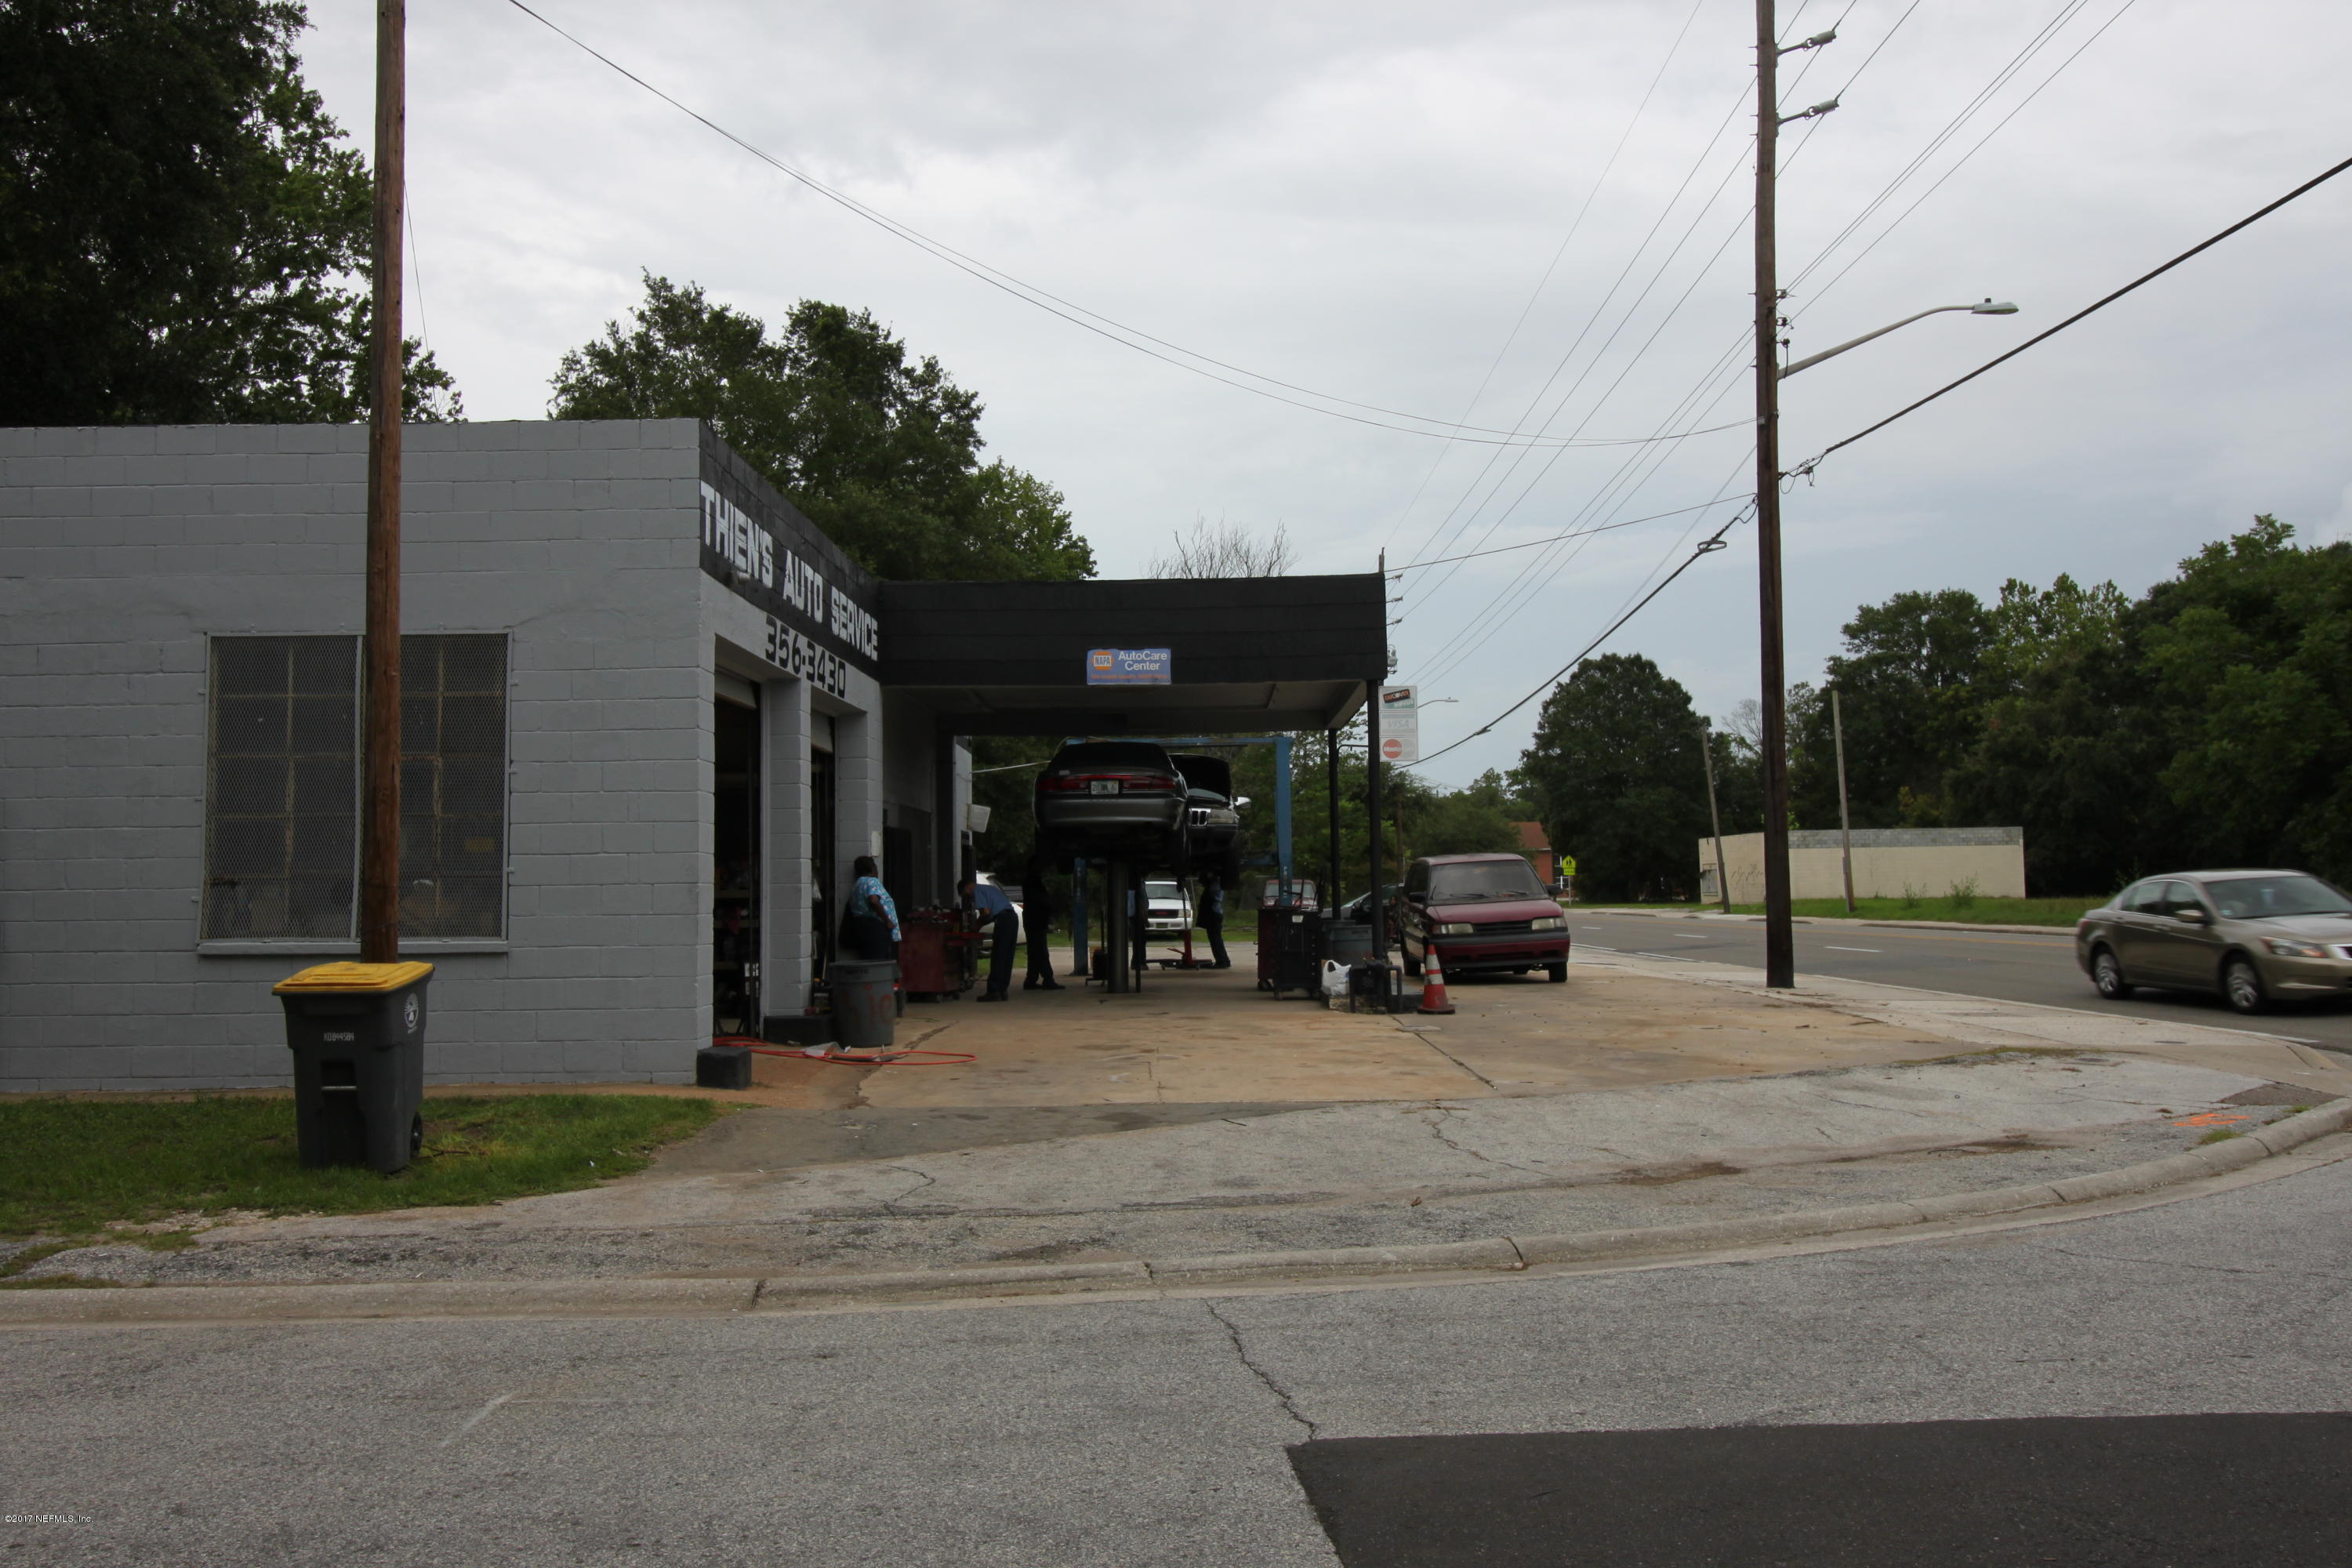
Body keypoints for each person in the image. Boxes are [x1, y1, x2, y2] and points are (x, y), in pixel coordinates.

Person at [959, 874, 1018, 1002]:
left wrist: (975, 926)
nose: (969, 898)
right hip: (1012, 918)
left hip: (1003, 920)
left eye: (966, 895)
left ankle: (994, 990)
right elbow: (991, 914)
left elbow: (985, 913)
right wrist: (979, 925)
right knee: (1007, 956)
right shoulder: (990, 888)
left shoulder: (977, 891)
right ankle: (1003, 990)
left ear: (967, 888)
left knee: (998, 955)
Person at [841, 854, 898, 962]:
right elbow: (873, 900)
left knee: (868, 962)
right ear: (873, 869)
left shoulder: (857, 884)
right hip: (875, 928)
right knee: (879, 962)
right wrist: (888, 921)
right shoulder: (872, 881)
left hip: (860, 928)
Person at [1022, 855, 1062, 991]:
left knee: (1035, 951)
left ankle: (1031, 979)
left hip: (1033, 919)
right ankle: (1047, 979)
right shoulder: (1033, 881)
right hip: (1036, 920)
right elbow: (1040, 901)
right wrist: (1048, 910)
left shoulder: (1031, 880)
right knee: (1040, 951)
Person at [1199, 873, 1230, 968]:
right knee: (1216, 938)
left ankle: (1222, 961)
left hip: (1214, 914)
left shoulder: (1215, 884)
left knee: (1215, 938)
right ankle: (1224, 960)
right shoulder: (1216, 883)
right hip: (1215, 913)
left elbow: (1212, 893)